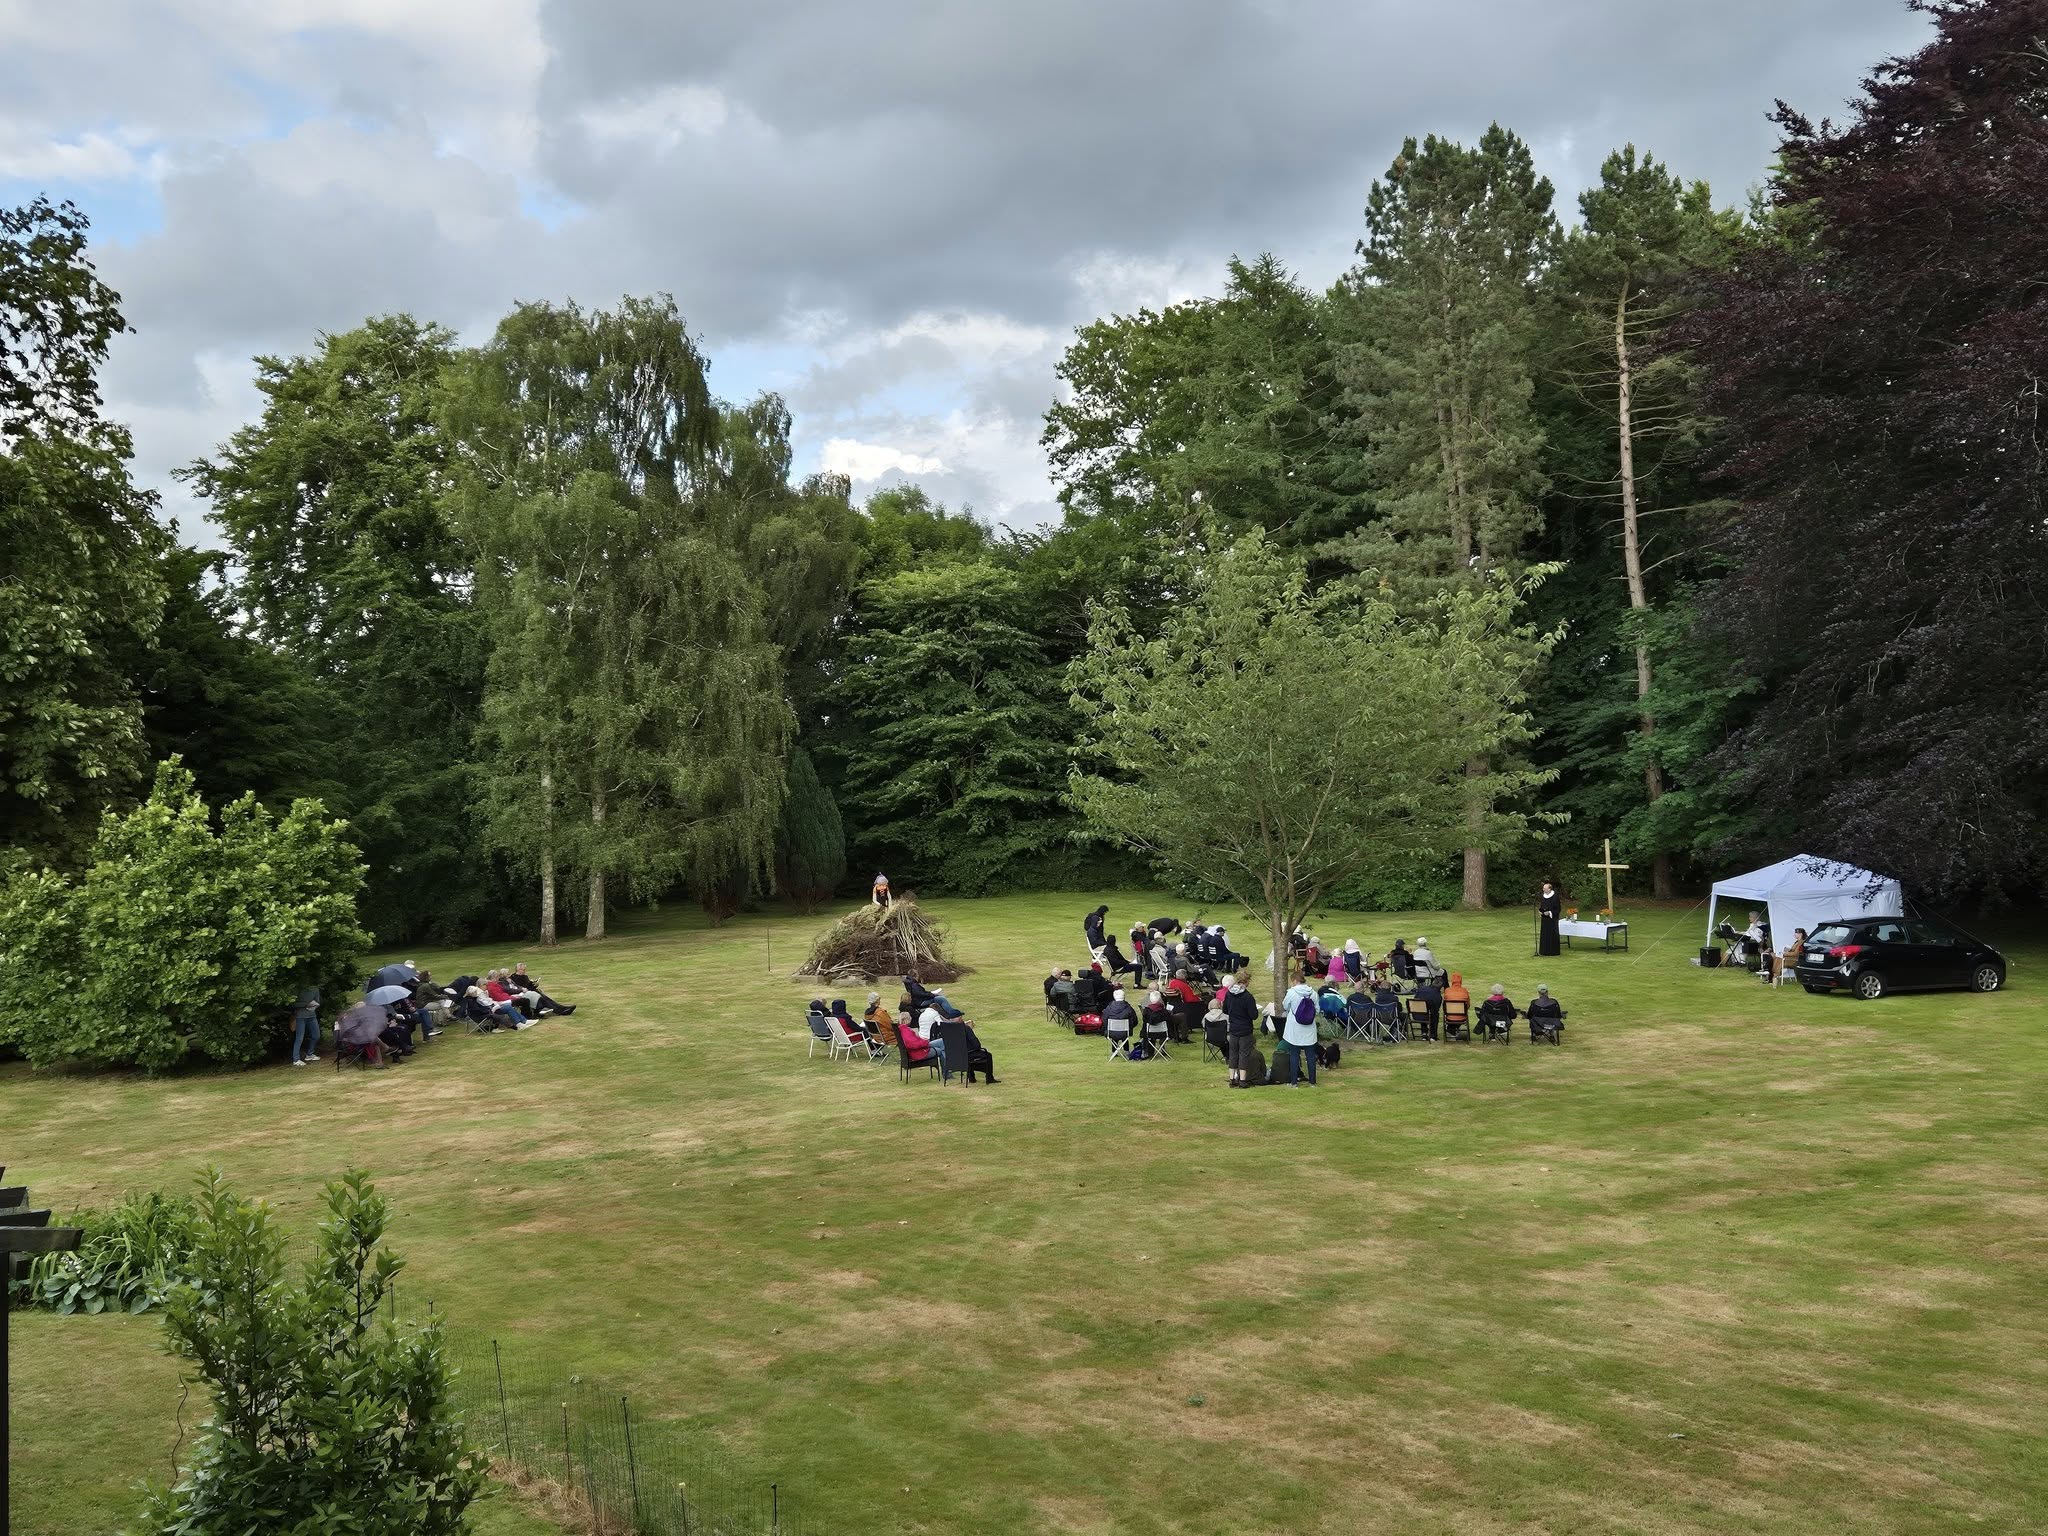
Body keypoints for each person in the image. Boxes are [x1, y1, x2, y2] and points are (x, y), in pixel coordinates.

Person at [919, 998, 998, 1083]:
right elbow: (976, 1044)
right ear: (960, 1018)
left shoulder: (946, 1030)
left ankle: (971, 1077)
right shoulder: (965, 1028)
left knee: (971, 1053)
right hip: (967, 1055)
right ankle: (989, 1078)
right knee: (987, 1055)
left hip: (954, 1056)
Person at [1280, 975, 1321, 1086]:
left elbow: (1285, 1006)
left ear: (1295, 981)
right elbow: (1317, 1010)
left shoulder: (1292, 992)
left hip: (1295, 1028)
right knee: (1310, 1055)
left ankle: (1294, 1082)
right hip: (1309, 1028)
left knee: (1294, 1055)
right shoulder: (1313, 993)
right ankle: (1312, 1082)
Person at [1223, 977, 1259, 1087]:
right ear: (1246, 982)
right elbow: (1254, 1015)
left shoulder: (1229, 994)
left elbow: (1225, 1010)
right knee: (1244, 1054)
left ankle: (1232, 1079)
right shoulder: (1248, 997)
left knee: (1233, 1053)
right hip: (1245, 1028)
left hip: (1233, 1027)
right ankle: (1242, 1080)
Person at [508, 961, 574, 1016]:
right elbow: (520, 988)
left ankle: (563, 1008)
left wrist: (534, 984)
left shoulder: (525, 976)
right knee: (545, 1000)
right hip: (525, 994)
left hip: (532, 991)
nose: (523, 971)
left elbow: (529, 986)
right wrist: (530, 984)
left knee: (548, 999)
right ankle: (560, 1011)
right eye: (522, 969)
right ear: (517, 969)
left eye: (524, 969)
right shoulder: (513, 978)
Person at [291, 985, 321, 1066]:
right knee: (299, 1038)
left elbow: (317, 1002)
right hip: (300, 1016)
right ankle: (296, 1059)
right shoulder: (298, 988)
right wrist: (305, 1004)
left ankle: (309, 1054)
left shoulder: (315, 988)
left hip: (312, 1015)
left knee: (316, 1035)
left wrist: (315, 1005)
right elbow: (293, 1004)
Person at [1411, 972, 1443, 1040]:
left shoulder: (1421, 989)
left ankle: (1424, 1033)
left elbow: (1415, 1000)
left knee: (1424, 1011)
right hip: (1426, 1015)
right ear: (1440, 987)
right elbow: (1436, 1009)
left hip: (1416, 1014)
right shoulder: (1437, 995)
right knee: (1434, 1015)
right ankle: (1432, 1036)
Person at [1442, 971, 1472, 1040]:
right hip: (1462, 1017)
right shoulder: (1464, 991)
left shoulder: (1447, 990)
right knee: (1456, 1016)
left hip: (1449, 1016)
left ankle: (1452, 1031)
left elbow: (1444, 1005)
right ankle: (1453, 1031)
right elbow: (1468, 1005)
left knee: (1452, 1016)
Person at [1538, 881, 1562, 957]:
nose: (1543, 890)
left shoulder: (1555, 897)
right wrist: (1541, 911)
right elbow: (1542, 906)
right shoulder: (1543, 896)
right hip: (1545, 919)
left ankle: (1553, 951)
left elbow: (1558, 909)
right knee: (1545, 934)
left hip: (1552, 920)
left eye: (1545, 888)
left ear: (1549, 889)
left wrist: (1550, 912)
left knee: (1552, 935)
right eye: (1543, 888)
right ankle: (1544, 951)